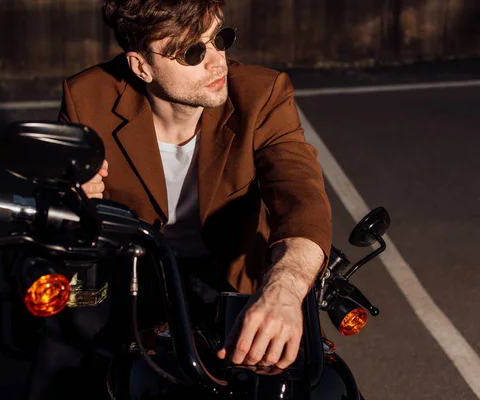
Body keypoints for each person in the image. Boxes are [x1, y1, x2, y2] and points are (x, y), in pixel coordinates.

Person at [26, 0, 332, 397]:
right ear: (142, 66)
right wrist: (76, 197)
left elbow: (301, 194)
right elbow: (57, 198)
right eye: (192, 52)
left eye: (220, 39)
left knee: (297, 377)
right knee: (65, 360)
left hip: (224, 268)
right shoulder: (89, 98)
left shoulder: (262, 95)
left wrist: (285, 288)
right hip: (132, 269)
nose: (217, 61)